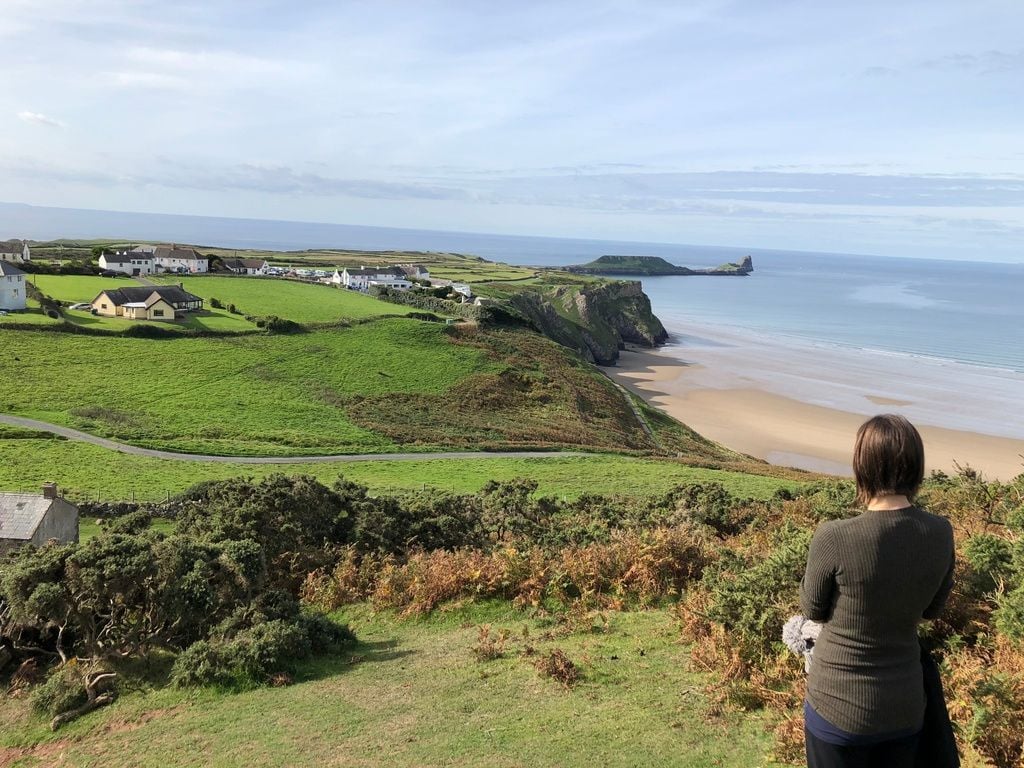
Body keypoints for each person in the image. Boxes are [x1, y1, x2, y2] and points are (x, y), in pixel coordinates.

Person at [800, 414, 956, 768]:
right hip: (904, 707)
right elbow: (932, 610)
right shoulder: (940, 532)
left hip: (836, 705)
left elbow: (812, 609)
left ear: (862, 467)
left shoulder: (834, 536)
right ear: (916, 467)